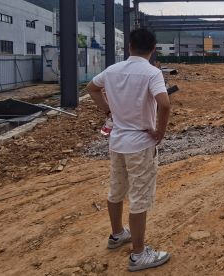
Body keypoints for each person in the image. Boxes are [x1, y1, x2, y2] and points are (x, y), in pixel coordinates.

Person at [86, 28, 172, 271]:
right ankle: (138, 254)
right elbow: (165, 104)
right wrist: (160, 132)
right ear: (153, 49)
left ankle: (117, 234)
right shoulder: (152, 73)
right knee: (139, 198)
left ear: (129, 47)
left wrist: (108, 111)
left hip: (117, 142)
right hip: (141, 144)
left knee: (116, 189)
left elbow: (91, 88)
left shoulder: (112, 70)